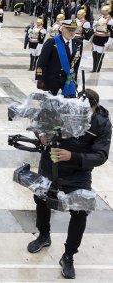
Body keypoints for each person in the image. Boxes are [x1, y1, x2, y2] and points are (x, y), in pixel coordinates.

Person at [26, 88, 111, 280]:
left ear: (95, 108)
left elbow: (101, 155)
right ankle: (43, 235)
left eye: (86, 111)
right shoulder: (63, 109)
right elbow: (40, 123)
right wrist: (42, 135)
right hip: (50, 165)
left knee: (80, 211)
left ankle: (69, 255)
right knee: (41, 199)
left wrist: (73, 156)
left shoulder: (102, 123)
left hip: (78, 172)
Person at [36, 19, 83, 97]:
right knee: (49, 106)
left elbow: (76, 64)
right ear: (62, 29)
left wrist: (75, 80)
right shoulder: (52, 42)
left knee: (69, 103)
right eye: (69, 30)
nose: (72, 32)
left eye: (74, 30)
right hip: (52, 80)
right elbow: (42, 61)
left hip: (68, 80)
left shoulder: (78, 43)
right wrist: (40, 78)